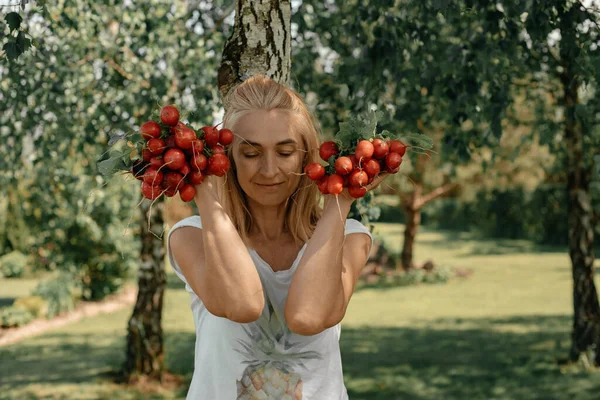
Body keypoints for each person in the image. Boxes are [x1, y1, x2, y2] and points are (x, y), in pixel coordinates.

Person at [167, 75, 388, 399]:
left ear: (305, 156)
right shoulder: (192, 237)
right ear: (227, 158)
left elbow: (307, 316)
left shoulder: (350, 236)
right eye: (251, 154)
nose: (269, 170)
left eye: (285, 152)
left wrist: (340, 199)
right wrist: (204, 189)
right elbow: (242, 304)